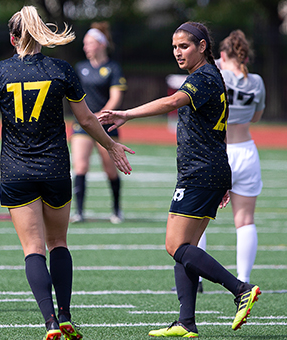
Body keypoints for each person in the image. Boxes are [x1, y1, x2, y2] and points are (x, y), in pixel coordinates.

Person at [0, 6, 133, 340]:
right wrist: (112, 146)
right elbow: (87, 120)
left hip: (16, 170)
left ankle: (50, 323)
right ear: (41, 36)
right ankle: (67, 315)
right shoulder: (61, 69)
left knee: (33, 249)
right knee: (59, 242)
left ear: (12, 37)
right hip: (55, 167)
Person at [99, 22, 261, 337]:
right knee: (185, 246)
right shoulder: (208, 76)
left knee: (175, 245)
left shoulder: (203, 77)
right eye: (174, 47)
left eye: (184, 46)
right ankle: (186, 321)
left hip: (200, 171)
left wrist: (126, 114)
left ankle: (240, 289)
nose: (178, 52)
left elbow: (173, 102)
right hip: (207, 169)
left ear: (202, 46)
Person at [218, 29, 265, 284]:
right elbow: (256, 117)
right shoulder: (256, 81)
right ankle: (244, 280)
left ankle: (197, 280)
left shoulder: (218, 74)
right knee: (245, 220)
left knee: (198, 217)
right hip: (247, 151)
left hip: (218, 152)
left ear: (223, 54)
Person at [71, 21, 128, 224]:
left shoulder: (113, 68)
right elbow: (74, 97)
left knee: (110, 169)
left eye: (89, 43)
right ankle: (78, 212)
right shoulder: (80, 68)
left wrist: (99, 116)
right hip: (83, 125)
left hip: (105, 124)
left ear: (101, 44)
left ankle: (116, 210)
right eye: (85, 43)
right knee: (80, 166)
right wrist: (86, 118)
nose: (86, 47)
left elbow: (115, 97)